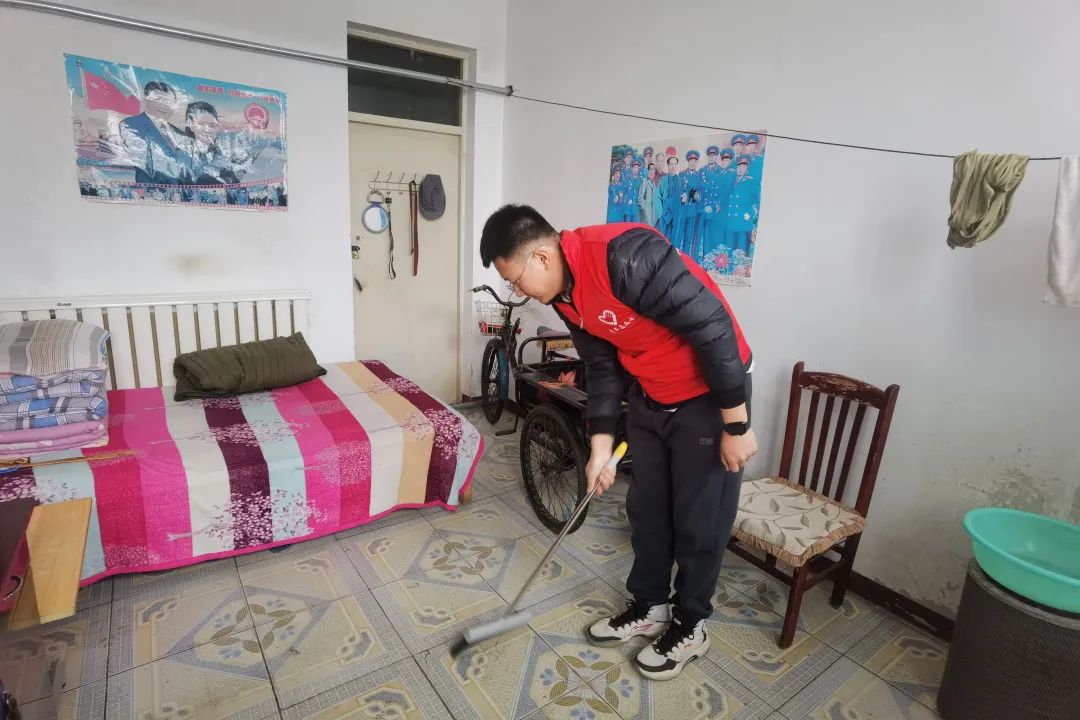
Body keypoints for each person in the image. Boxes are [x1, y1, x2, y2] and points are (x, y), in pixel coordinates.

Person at [479, 205, 756, 681]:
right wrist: (601, 447)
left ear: (541, 257)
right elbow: (603, 366)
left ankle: (691, 624)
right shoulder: (564, 297)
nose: (519, 293)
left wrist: (736, 424)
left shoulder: (625, 256)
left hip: (708, 397)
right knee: (646, 511)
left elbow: (712, 326)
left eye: (515, 281)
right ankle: (649, 606)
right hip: (650, 392)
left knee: (700, 520)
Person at [118, 81, 189, 184]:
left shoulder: (179, 133)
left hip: (184, 191)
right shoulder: (130, 125)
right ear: (146, 100)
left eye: (169, 102)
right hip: (152, 188)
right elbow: (144, 160)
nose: (164, 106)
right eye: (159, 100)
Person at [180, 101, 239, 185]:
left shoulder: (221, 154)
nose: (207, 130)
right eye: (201, 124)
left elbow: (236, 184)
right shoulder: (182, 153)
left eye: (212, 125)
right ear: (191, 125)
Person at [701, 147, 737, 259]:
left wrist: (717, 205)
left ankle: (718, 261)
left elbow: (727, 191)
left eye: (727, 160)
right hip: (713, 210)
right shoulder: (720, 174)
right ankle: (709, 259)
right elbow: (711, 190)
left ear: (731, 161)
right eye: (723, 160)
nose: (725, 162)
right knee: (711, 234)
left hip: (722, 210)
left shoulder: (731, 173)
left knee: (719, 237)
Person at [724, 155, 760, 254]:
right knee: (730, 249)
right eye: (739, 166)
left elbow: (757, 201)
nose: (740, 169)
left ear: (747, 169)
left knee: (743, 250)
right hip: (731, 220)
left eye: (744, 166)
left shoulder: (751, 181)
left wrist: (750, 215)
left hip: (743, 220)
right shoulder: (732, 181)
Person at [678, 149, 705, 258]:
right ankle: (676, 257)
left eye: (694, 161)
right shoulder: (681, 174)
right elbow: (678, 190)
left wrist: (699, 196)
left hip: (692, 211)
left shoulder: (699, 176)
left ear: (697, 162)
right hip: (682, 210)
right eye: (691, 161)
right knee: (679, 235)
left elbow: (702, 192)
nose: (692, 163)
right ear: (688, 162)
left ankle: (685, 258)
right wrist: (682, 196)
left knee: (688, 236)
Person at [658, 148, 682, 243]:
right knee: (664, 240)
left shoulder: (680, 180)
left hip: (676, 216)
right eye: (671, 164)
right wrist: (664, 214)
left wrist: (684, 199)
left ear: (677, 166)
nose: (673, 167)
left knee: (674, 241)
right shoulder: (663, 180)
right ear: (667, 166)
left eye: (675, 164)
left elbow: (683, 197)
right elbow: (657, 199)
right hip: (665, 216)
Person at [638, 162, 662, 227]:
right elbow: (640, 198)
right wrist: (645, 208)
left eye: (654, 170)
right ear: (647, 170)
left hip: (653, 212)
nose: (652, 172)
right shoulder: (644, 181)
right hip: (646, 212)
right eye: (651, 169)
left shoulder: (653, 183)